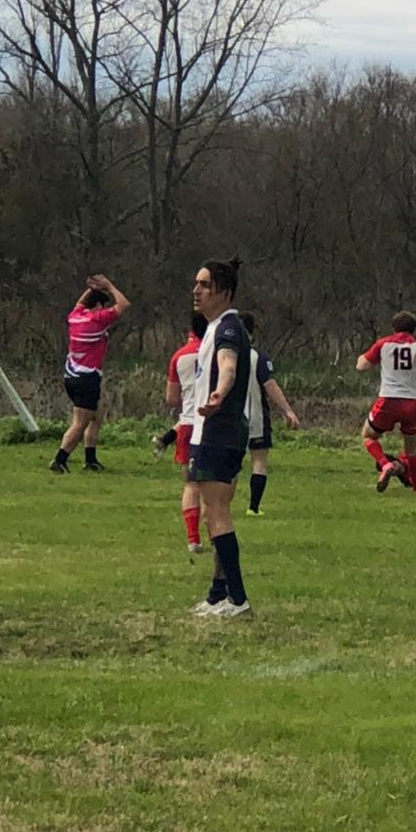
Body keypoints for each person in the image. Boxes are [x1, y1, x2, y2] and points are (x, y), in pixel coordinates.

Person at [187, 258, 253, 618]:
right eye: (196, 283)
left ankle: (238, 599)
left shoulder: (228, 328)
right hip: (216, 430)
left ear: (223, 291)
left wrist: (220, 393)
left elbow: (228, 365)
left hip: (218, 430)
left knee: (216, 513)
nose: (196, 290)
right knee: (215, 513)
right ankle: (218, 595)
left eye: (205, 284)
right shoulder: (215, 327)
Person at [50, 274, 130, 473]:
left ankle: (91, 460)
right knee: (80, 423)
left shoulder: (74, 317)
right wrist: (109, 286)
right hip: (87, 378)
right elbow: (124, 304)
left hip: (71, 376)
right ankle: (60, 460)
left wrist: (93, 288)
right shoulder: (97, 320)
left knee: (96, 415)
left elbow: (80, 303)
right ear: (100, 306)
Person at [356, 311, 416, 492]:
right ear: (414, 329)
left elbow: (362, 365)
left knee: (368, 436)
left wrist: (361, 358)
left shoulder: (384, 343)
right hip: (413, 402)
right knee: (412, 449)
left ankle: (385, 464)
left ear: (393, 328)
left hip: (389, 399)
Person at [239, 312, 301, 516]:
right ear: (252, 331)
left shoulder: (220, 354)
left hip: (228, 418)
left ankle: (220, 505)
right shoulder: (257, 357)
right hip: (255, 416)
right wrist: (287, 410)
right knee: (259, 459)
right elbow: (270, 384)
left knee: (230, 461)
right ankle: (253, 508)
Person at [164, 312, 208, 554]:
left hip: (189, 424)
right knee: (213, 486)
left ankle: (193, 539)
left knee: (191, 484)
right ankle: (217, 535)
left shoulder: (179, 356)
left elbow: (171, 399)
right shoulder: (219, 352)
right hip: (213, 424)